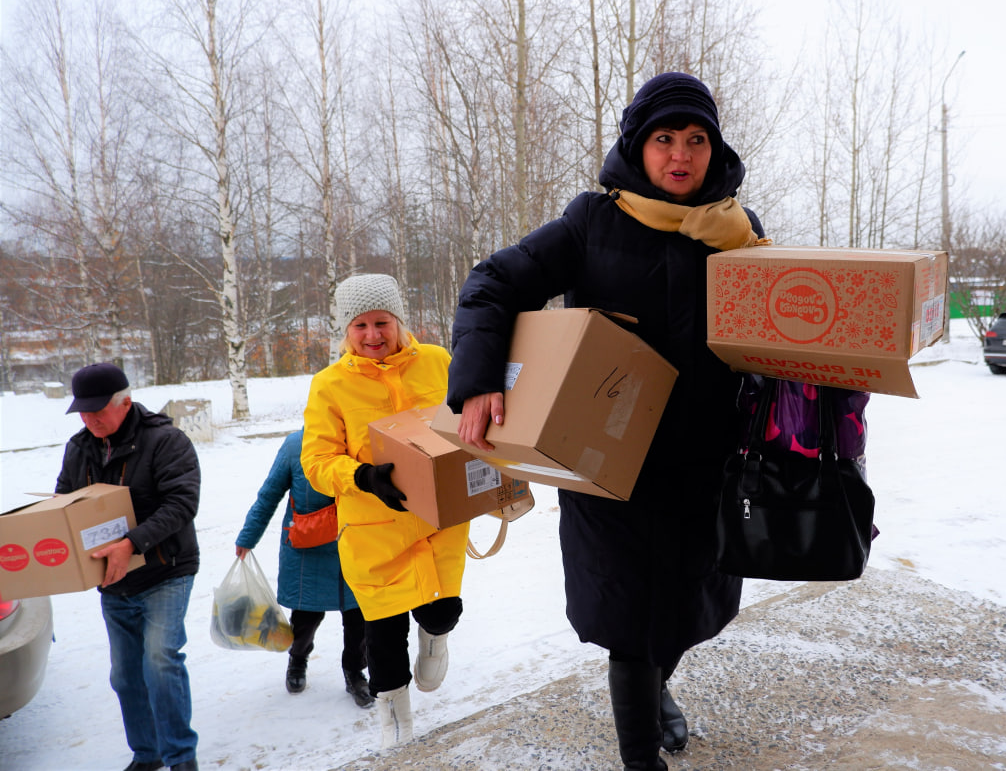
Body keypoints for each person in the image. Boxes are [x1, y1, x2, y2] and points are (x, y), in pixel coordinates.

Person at [448, 71, 766, 771]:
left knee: (683, 612)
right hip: (608, 471)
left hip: (703, 468)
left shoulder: (740, 235)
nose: (679, 154)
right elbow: (492, 283)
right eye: (663, 139)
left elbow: (769, 337)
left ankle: (657, 694)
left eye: (695, 139)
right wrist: (475, 381)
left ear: (715, 150)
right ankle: (639, 755)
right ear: (636, 145)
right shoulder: (593, 221)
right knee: (629, 624)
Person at [300, 273, 469, 749]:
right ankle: (395, 718)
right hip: (374, 530)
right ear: (345, 331)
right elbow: (316, 461)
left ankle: (435, 637)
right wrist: (362, 477)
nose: (373, 335)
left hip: (440, 521)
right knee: (384, 634)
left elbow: (466, 417)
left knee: (443, 609)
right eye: (360, 326)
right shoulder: (329, 385)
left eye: (381, 322)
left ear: (399, 321)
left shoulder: (438, 361)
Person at [55, 363, 201, 771]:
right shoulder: (79, 447)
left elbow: (182, 504)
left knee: (160, 661)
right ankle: (147, 754)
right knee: (124, 676)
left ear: (126, 402)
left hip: (165, 569)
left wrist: (131, 544)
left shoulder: (166, 441)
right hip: (113, 581)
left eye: (98, 410)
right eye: (83, 411)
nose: (90, 419)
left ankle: (180, 757)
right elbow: (63, 501)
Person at [233, 429, 372, 709]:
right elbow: (269, 495)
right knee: (305, 616)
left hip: (353, 541)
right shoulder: (295, 445)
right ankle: (297, 661)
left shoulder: (360, 441)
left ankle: (355, 673)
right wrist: (248, 537)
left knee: (358, 616)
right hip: (308, 546)